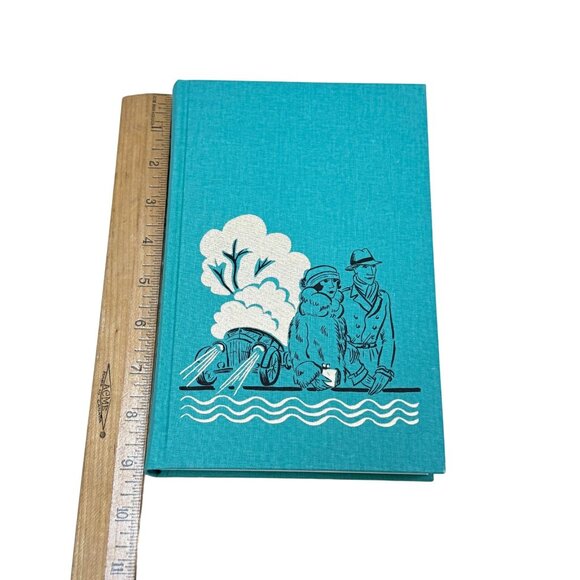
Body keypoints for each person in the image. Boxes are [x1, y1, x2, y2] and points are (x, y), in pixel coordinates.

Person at [343, 249, 395, 395]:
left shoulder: (383, 297)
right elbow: (335, 339)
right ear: (355, 270)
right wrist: (357, 371)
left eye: (373, 266)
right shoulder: (342, 296)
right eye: (365, 267)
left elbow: (388, 338)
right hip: (350, 362)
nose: (371, 271)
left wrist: (384, 370)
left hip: (375, 360)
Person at [287, 266, 347, 390]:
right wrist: (311, 374)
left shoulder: (336, 315)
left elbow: (342, 347)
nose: (332, 285)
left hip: (335, 378)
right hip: (313, 380)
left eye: (334, 281)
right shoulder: (304, 315)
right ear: (314, 285)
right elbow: (297, 349)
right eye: (325, 281)